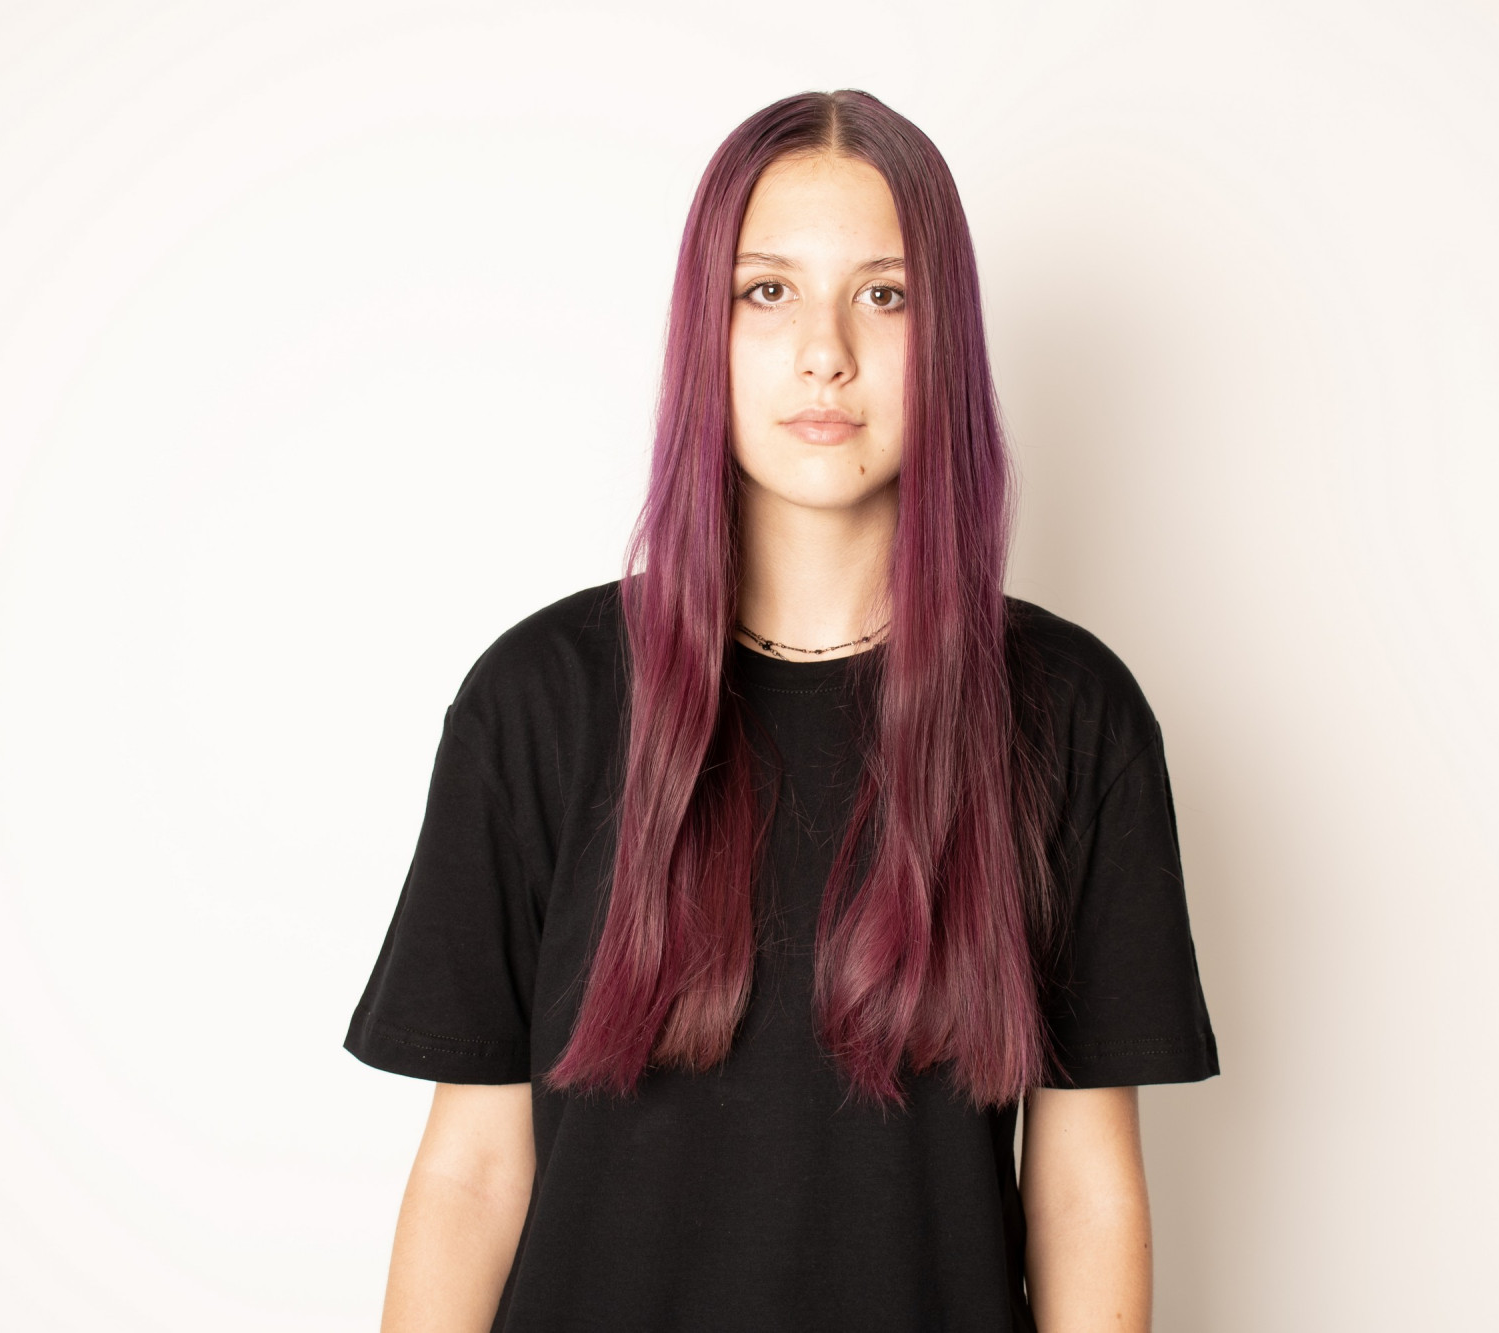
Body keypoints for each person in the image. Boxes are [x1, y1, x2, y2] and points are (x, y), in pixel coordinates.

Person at [343, 88, 1218, 1332]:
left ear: (948, 339)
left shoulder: (1071, 715)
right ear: (704, 332)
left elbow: (1082, 1188)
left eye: (884, 295)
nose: (825, 351)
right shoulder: (538, 700)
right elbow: (473, 1168)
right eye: (767, 291)